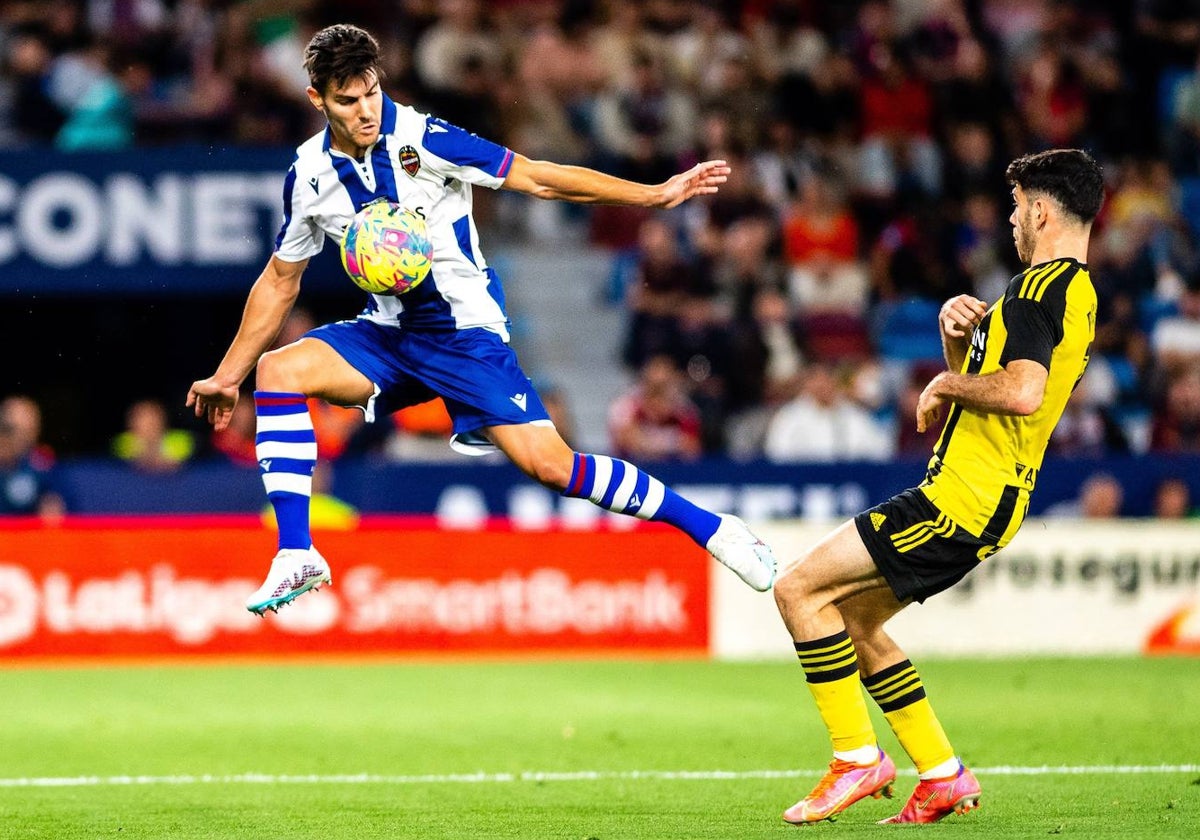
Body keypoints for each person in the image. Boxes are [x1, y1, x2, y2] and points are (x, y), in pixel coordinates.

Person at [186, 24, 775, 615]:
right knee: (278, 371)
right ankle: (296, 553)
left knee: (552, 466)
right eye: (347, 100)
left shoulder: (424, 138)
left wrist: (651, 195)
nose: (365, 110)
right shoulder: (308, 175)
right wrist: (227, 375)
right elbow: (281, 279)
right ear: (317, 99)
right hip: (389, 334)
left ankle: (713, 528)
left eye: (369, 91)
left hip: (464, 336)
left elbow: (537, 176)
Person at [772, 148, 1104, 824]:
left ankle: (856, 759)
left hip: (961, 498)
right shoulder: (1068, 293)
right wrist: (960, 345)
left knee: (798, 589)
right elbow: (1001, 395)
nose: (1012, 221)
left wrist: (943, 378)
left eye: (1016, 208)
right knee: (854, 622)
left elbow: (1022, 394)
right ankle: (943, 773)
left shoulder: (1041, 289)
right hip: (985, 497)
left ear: (1040, 210)